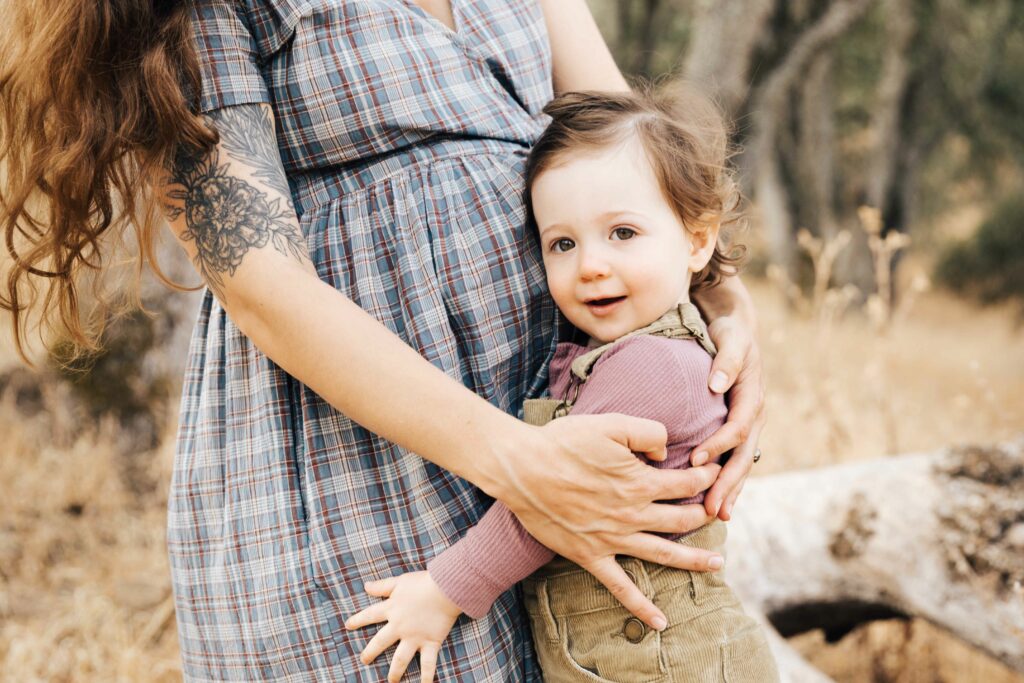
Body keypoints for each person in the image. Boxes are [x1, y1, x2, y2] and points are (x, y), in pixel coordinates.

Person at [0, 0, 767, 679]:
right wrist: (519, 463)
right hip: (359, 454)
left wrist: (721, 308)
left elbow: (625, 141)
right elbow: (261, 284)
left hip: (545, 395)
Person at [345, 88, 779, 682]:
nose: (591, 265)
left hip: (668, 663)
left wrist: (447, 590)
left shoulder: (654, 364)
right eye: (563, 244)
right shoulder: (617, 352)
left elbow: (554, 490)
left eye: (623, 233)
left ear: (697, 239)